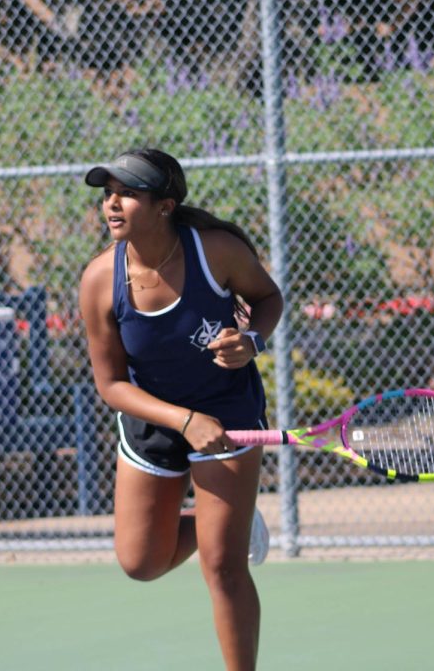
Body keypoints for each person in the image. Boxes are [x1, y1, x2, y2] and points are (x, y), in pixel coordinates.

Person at [78, 148, 283, 671]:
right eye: (108, 194)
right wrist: (184, 421)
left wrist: (252, 342)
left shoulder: (216, 251)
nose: (112, 204)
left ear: (166, 205)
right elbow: (111, 384)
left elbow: (268, 298)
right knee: (141, 563)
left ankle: (227, 534)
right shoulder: (101, 278)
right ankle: (229, 522)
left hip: (227, 408)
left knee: (223, 566)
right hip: (154, 422)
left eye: (127, 193)